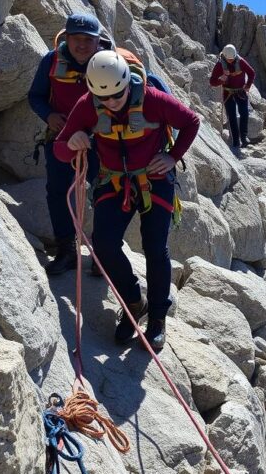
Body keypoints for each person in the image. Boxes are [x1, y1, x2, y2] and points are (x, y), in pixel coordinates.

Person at [54, 50, 200, 351]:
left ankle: (157, 318)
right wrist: (72, 143)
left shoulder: (152, 99)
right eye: (103, 98)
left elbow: (191, 122)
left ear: (126, 84)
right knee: (103, 244)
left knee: (155, 248)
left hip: (155, 179)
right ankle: (134, 302)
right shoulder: (88, 105)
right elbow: (60, 150)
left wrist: (172, 157)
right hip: (115, 180)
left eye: (117, 95)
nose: (111, 103)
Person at [28, 13, 104, 275]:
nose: (81, 45)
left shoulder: (108, 63)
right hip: (61, 138)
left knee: (105, 194)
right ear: (67, 38)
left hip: (100, 141)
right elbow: (36, 96)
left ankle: (102, 253)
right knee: (58, 192)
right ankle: (67, 250)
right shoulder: (52, 61)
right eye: (76, 38)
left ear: (98, 42)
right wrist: (49, 115)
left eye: (88, 39)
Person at [209, 44, 256, 150]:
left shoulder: (240, 61)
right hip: (228, 92)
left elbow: (251, 73)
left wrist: (247, 86)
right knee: (232, 116)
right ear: (224, 56)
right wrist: (222, 79)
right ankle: (236, 141)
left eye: (232, 59)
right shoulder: (220, 64)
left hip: (240, 91)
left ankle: (244, 138)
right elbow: (212, 81)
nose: (230, 61)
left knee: (244, 113)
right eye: (228, 59)